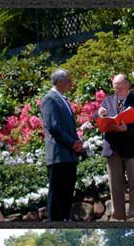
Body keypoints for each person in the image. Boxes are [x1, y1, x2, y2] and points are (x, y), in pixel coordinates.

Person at [97, 74, 134, 221]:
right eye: (114, 86)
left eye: (119, 86)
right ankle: (118, 216)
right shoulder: (107, 100)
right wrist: (99, 115)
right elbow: (98, 118)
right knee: (115, 185)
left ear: (127, 85)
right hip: (113, 148)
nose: (117, 89)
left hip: (132, 148)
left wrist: (126, 128)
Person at [40, 69, 84, 221]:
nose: (71, 84)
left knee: (66, 195)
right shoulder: (49, 99)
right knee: (57, 196)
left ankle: (64, 221)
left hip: (69, 156)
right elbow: (53, 126)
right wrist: (73, 143)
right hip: (58, 156)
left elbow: (67, 127)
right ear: (59, 82)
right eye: (68, 81)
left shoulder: (63, 100)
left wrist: (77, 142)